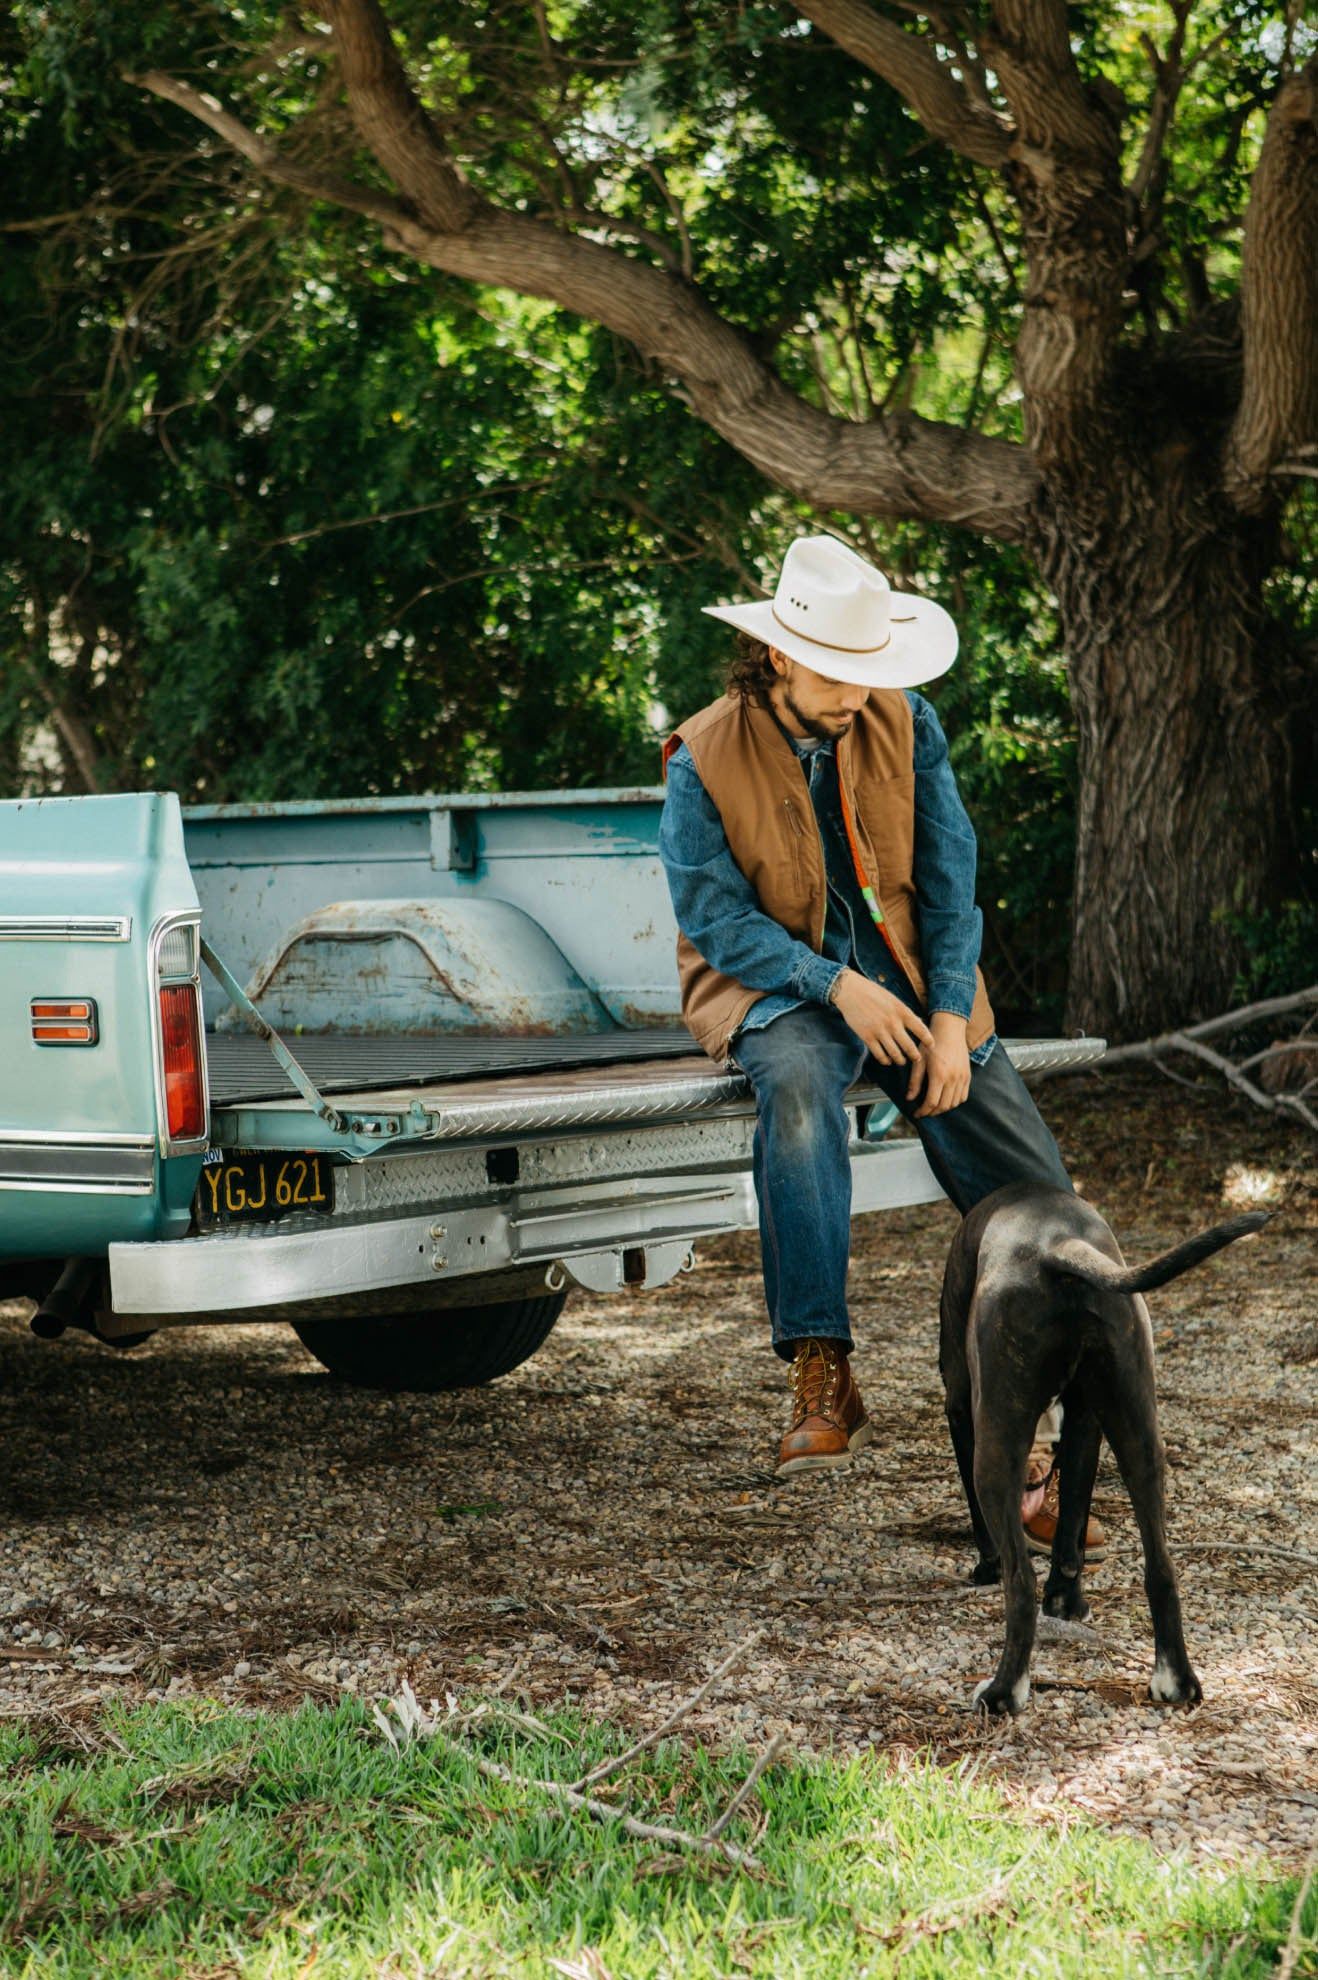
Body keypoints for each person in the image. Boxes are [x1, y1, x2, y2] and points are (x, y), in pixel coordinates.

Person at [658, 533, 1103, 1556]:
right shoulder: (702, 755)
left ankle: (1028, 1459)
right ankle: (820, 1365)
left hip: (912, 984)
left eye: (871, 672)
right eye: (837, 673)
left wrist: (950, 1022)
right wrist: (835, 986)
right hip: (776, 991)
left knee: (1043, 1204)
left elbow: (950, 883)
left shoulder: (907, 722)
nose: (858, 693)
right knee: (801, 1090)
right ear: (776, 656)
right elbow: (716, 919)